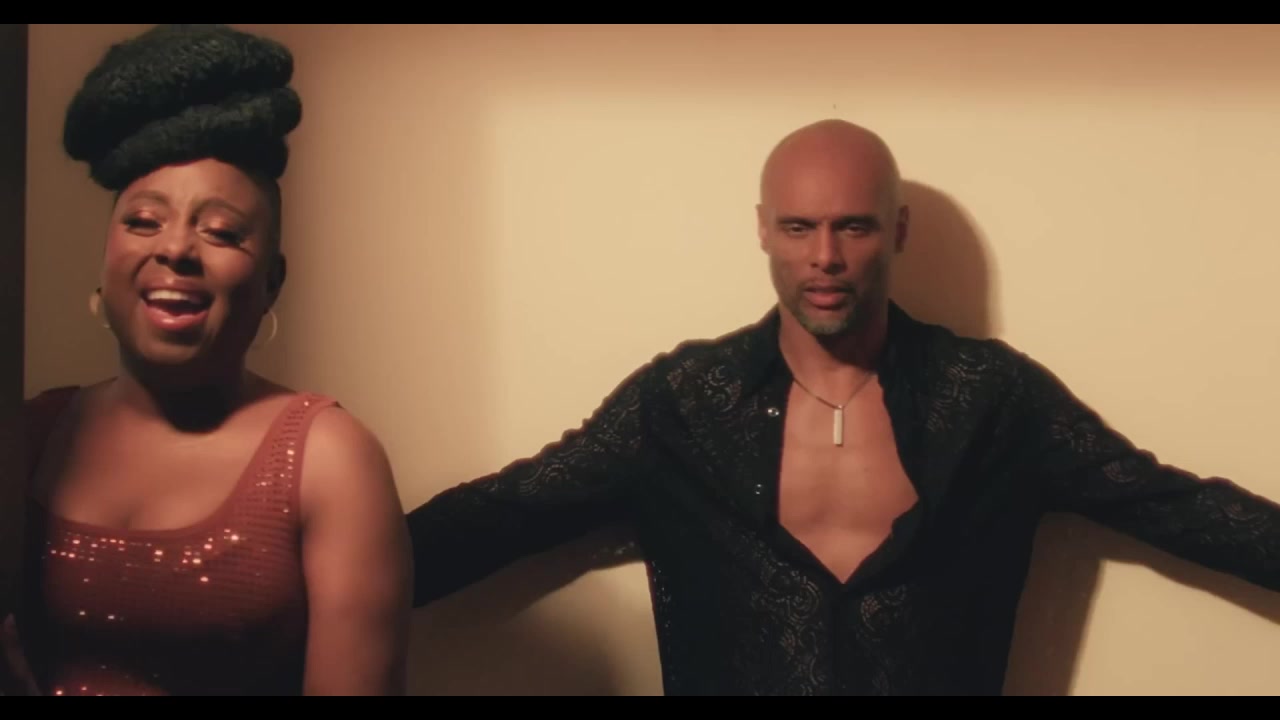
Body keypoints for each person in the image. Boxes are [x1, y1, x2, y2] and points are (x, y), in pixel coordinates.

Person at [405, 118, 1280, 695]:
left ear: (897, 230)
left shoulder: (991, 398)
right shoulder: (684, 403)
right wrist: (331, 557)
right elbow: (505, 514)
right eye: (799, 228)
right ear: (763, 229)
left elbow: (1171, 505)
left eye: (853, 226)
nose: (824, 256)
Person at [4, 24, 412, 696]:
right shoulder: (29, 435)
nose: (176, 249)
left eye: (221, 231)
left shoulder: (331, 460)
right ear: (105, 260)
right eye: (143, 221)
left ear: (272, 282)